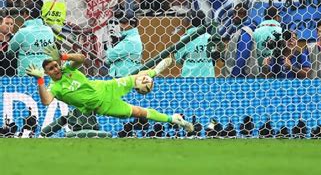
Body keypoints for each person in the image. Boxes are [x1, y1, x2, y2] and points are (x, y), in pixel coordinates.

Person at [25, 45, 194, 132]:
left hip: (108, 87)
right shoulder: (54, 87)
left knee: (139, 78)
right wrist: (39, 79)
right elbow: (46, 101)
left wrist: (63, 56)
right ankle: (174, 119)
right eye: (51, 69)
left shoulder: (68, 69)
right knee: (139, 112)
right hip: (103, 107)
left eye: (55, 65)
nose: (55, 69)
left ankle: (155, 71)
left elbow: (82, 59)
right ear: (47, 73)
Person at [7, 4, 55, 76]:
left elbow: (10, 50)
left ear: (27, 14)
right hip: (47, 74)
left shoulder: (23, 32)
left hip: (27, 75)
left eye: (23, 13)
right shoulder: (49, 30)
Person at [221, 3, 259, 78]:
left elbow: (242, 58)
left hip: (238, 78)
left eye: (241, 14)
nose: (236, 16)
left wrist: (233, 77)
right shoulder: (239, 30)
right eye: (235, 12)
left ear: (247, 15)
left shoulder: (245, 32)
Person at [174, 10, 215, 77]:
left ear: (190, 22)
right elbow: (214, 58)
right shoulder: (210, 38)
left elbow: (178, 59)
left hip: (189, 77)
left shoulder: (185, 39)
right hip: (208, 77)